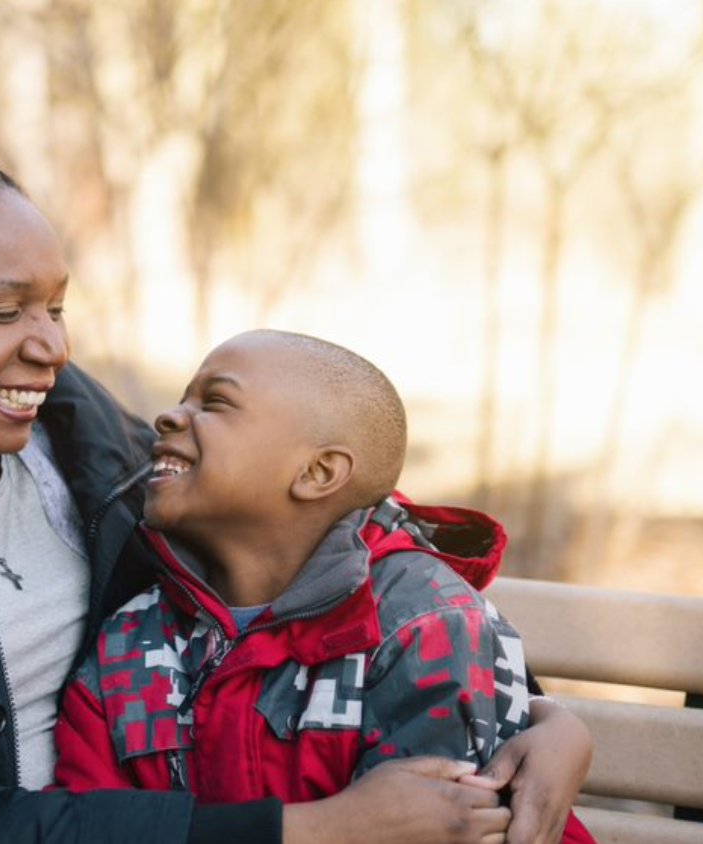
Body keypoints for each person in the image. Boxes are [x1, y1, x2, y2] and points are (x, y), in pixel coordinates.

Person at [0, 137, 592, 844]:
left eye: (56, 306)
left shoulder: (70, 430)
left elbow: (333, 552)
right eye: (5, 311)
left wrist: (545, 722)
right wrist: (301, 833)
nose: (51, 346)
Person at [49, 331, 593, 844]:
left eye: (213, 403)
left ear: (317, 473)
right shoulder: (130, 642)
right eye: (183, 398)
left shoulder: (422, 625)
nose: (167, 416)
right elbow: (94, 825)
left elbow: (437, 827)